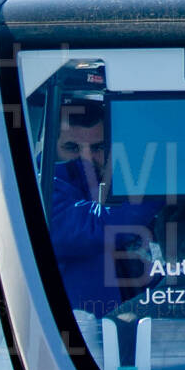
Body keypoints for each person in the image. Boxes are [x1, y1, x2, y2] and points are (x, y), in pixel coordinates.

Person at [44, 93, 163, 320]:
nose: (87, 158)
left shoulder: (119, 184)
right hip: (78, 333)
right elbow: (99, 225)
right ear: (50, 148)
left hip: (132, 328)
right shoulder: (42, 189)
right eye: (72, 147)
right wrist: (164, 186)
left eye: (97, 147)